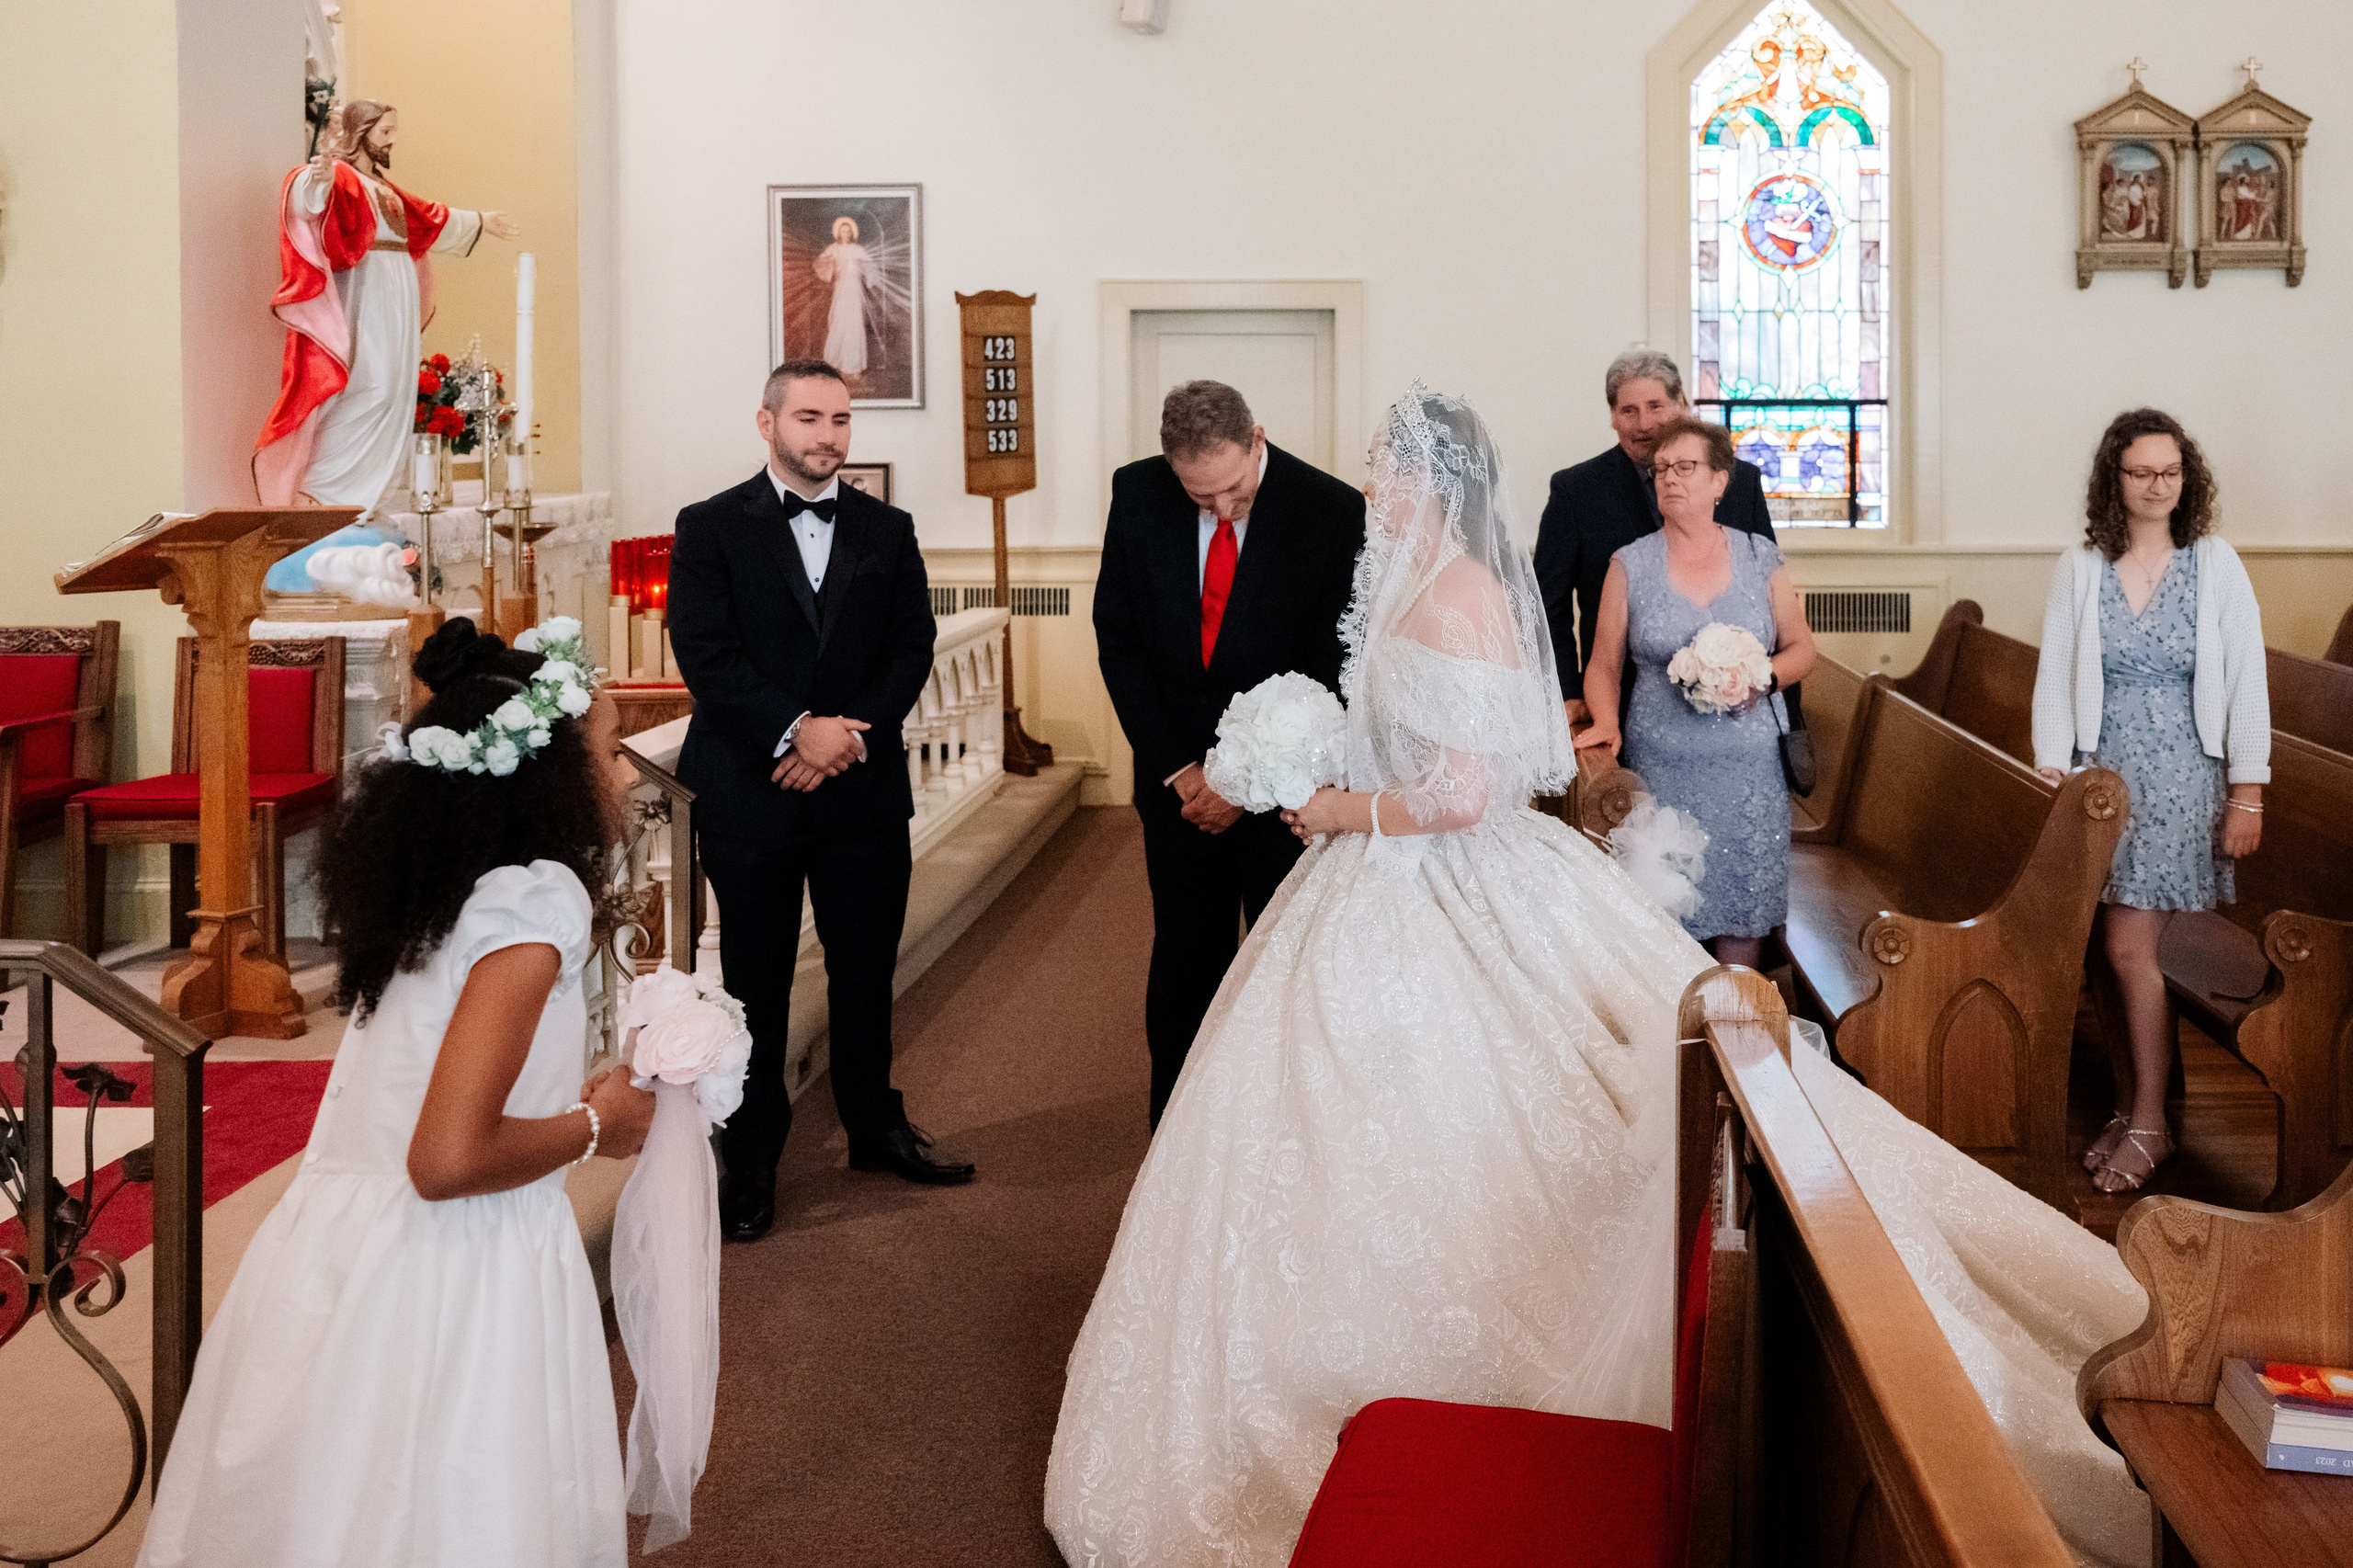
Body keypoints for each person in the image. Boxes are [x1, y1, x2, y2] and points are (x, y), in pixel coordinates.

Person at [1045, 388, 2152, 1568]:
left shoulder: (1466, 596)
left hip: (1446, 874)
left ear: (1441, 482)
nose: (1374, 488)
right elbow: (1398, 739)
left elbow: (1466, 794)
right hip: (1372, 884)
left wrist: (1334, 804)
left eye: (1391, 469)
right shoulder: (1397, 586)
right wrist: (1320, 758)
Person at [137, 618, 654, 1567]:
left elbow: (441, 1073)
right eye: (608, 747)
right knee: (452, 1505)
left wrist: (551, 1096)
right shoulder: (536, 902)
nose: (624, 774)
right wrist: (596, 1123)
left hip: (339, 1251)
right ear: (551, 771)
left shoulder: (447, 886)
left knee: (334, 1505)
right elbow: (446, 1158)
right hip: (456, 1264)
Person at [667, 358, 972, 1246]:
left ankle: (875, 1129)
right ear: (766, 423)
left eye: (840, 420)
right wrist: (796, 728)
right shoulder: (710, 526)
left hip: (861, 794)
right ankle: (752, 1157)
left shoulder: (889, 527)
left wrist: (845, 736)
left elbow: (911, 647)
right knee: (755, 982)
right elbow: (706, 652)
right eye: (809, 418)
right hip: (750, 794)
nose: (827, 437)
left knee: (866, 970)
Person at [1092, 380, 1365, 1127]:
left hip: (1286, 797)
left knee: (1284, 964)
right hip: (1177, 787)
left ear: (1257, 440)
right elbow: (1118, 638)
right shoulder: (1139, 493)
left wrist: (1244, 780)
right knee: (1185, 959)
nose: (1218, 510)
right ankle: (1175, 1135)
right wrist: (1181, 769)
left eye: (1234, 490)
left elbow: (1335, 670)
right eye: (1197, 495)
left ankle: (1276, 1133)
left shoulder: (1331, 510)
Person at [2031, 409, 2268, 1194]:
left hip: (2179, 777)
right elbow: (2057, 675)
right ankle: (2132, 1106)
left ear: (2186, 479)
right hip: (2099, 784)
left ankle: (2151, 1124)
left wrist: (2249, 792)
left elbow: (2247, 683)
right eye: (2142, 473)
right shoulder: (2082, 564)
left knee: (2131, 950)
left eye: (2171, 472)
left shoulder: (2214, 564)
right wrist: (2054, 771)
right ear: (2115, 480)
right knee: (2105, 948)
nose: (2158, 485)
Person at [1575, 416, 1815, 966]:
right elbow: (1604, 663)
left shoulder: (1760, 558)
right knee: (1664, 915)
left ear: (1719, 481)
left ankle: (1735, 1032)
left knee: (1741, 914)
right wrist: (1606, 721)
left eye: (1686, 467)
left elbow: (1802, 648)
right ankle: (1673, 1038)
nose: (1670, 479)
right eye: (1661, 469)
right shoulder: (1630, 564)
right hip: (1664, 770)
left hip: (1751, 777)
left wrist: (1762, 677)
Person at [255, 101, 520, 513]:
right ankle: (323, 492)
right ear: (360, 133)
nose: (392, 140)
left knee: (395, 389)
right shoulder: (344, 177)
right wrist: (317, 180)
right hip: (366, 293)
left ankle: (361, 501)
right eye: (385, 132)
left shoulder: (382, 187)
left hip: (396, 298)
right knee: (371, 386)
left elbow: (428, 217)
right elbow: (306, 200)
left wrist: (480, 221)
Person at [1532, 347, 1779, 727]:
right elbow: (1548, 607)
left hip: (1738, 707)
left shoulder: (1739, 481)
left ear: (1682, 404)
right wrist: (1570, 693)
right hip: (1623, 703)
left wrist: (1785, 712)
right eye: (1628, 411)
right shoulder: (1576, 491)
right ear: (1613, 418)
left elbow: (1772, 599)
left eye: (1655, 406)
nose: (1643, 424)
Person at [815, 216, 874, 382]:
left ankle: (854, 367)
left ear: (852, 233)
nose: (846, 234)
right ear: (838, 233)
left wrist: (865, 274)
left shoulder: (858, 249)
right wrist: (830, 265)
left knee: (854, 323)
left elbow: (869, 266)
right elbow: (821, 263)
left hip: (854, 290)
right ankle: (837, 364)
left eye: (848, 231)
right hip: (841, 289)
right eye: (843, 231)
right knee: (839, 321)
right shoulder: (833, 249)